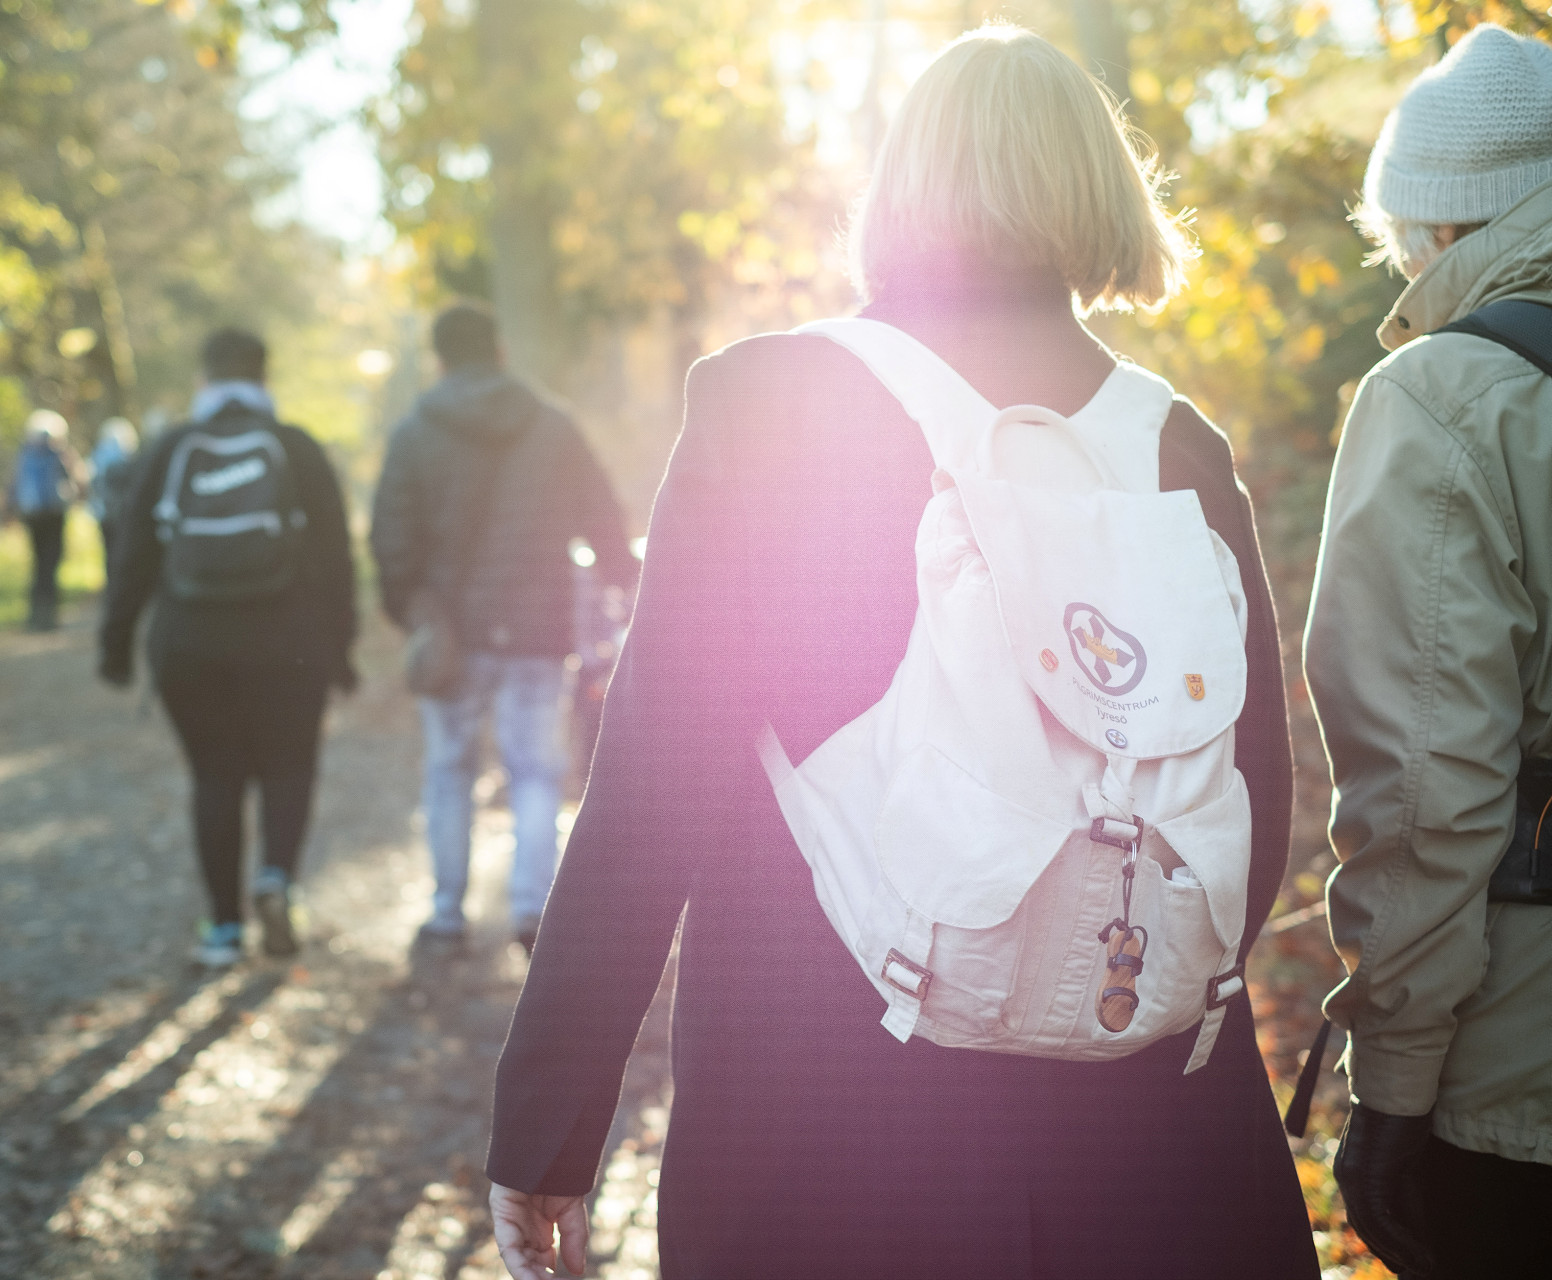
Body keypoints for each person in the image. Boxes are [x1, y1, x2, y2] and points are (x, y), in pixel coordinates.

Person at [486, 27, 1315, 1280]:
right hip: (1143, 1120)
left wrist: (551, 1117)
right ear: (1100, 186)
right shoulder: (1177, 443)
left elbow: (656, 778)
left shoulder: (775, 402)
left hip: (833, 1108)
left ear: (903, 187)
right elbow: (1256, 792)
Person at [1303, 24, 1552, 1280]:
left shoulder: (1448, 396)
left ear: (1445, 227)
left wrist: (1392, 1086)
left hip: (1520, 1090)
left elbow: (1423, 790)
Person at [371, 303, 635, 956]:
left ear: (440, 359)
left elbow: (390, 536)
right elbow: (603, 518)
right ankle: (530, 910)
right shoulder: (553, 426)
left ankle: (445, 914)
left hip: (451, 634)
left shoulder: (415, 432)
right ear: (501, 352)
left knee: (448, 771)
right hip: (538, 628)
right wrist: (620, 582)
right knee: (537, 770)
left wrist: (409, 609)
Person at [98, 328, 357, 968]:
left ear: (203, 381)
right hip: (289, 645)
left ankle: (222, 928)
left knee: (214, 775)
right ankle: (275, 878)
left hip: (190, 643)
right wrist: (342, 648)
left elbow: (132, 555)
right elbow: (337, 559)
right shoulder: (296, 449)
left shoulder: (170, 449)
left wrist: (116, 644)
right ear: (264, 378)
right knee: (288, 767)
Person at [7, 409, 79, 632]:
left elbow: (14, 483)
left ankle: (35, 617)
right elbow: (75, 480)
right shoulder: (60, 453)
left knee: (38, 564)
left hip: (32, 516)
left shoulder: (25, 453)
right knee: (51, 564)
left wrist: (10, 511)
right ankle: (49, 617)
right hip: (54, 515)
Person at [88, 415, 140, 569]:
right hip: (123, 513)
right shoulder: (128, 457)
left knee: (109, 550)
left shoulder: (98, 455)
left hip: (105, 512)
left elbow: (93, 482)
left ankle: (111, 582)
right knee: (122, 550)